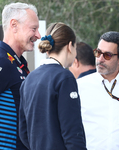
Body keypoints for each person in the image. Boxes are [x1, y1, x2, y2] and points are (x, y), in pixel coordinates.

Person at [19, 22, 87, 150]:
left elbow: (23, 132)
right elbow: (72, 131)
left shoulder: (29, 79)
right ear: (70, 46)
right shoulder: (65, 78)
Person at [0, 2, 40, 150]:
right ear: (14, 25)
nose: (38, 35)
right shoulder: (0, 61)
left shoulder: (18, 63)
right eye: (33, 29)